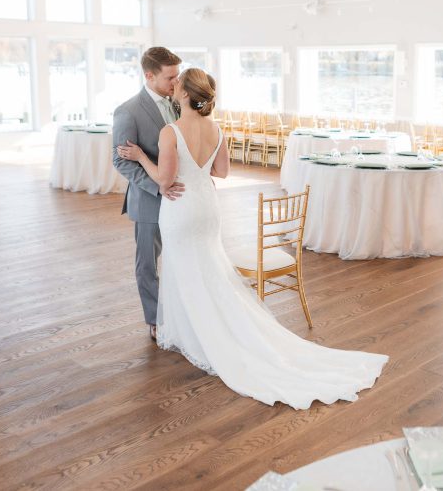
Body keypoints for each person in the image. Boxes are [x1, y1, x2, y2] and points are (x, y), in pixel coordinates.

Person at [117, 69, 387, 409]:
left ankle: (200, 333)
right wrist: (196, 169)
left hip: (181, 209)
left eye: (177, 83)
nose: (173, 87)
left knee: (185, 269)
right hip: (207, 207)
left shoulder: (170, 132)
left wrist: (141, 157)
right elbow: (222, 172)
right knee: (209, 268)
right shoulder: (215, 128)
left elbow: (165, 181)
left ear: (184, 95)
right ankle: (211, 328)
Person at [112, 46, 185, 342]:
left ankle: (181, 311)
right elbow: (120, 160)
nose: (176, 83)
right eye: (170, 77)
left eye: (178, 76)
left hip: (182, 200)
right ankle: (155, 319)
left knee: (180, 257)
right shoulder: (127, 111)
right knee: (148, 264)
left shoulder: (180, 103)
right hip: (149, 202)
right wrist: (158, 186)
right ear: (149, 75)